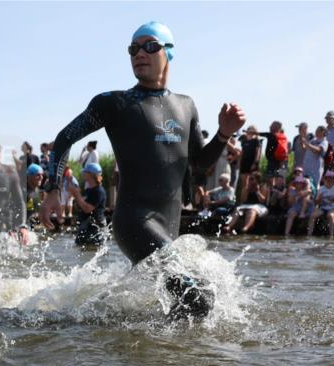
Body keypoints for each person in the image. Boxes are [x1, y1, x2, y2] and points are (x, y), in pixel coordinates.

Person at [40, 20, 244, 319]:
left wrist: (223, 135)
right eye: (133, 48)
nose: (140, 53)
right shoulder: (114, 103)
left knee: (182, 301)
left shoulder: (186, 106)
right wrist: (52, 190)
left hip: (168, 224)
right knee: (198, 297)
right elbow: (64, 138)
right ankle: (170, 364)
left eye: (150, 46)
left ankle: (151, 354)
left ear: (169, 52)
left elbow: (198, 165)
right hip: (134, 221)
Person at [71, 162, 107, 246]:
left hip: (94, 229)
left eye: (85, 172)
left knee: (91, 251)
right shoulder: (89, 190)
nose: (82, 173)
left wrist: (77, 195)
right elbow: (80, 206)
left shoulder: (99, 191)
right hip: (86, 227)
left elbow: (87, 209)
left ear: (90, 174)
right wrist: (77, 199)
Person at [308, 171, 334, 239]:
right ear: (325, 179)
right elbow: (316, 203)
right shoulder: (321, 188)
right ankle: (309, 235)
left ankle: (331, 236)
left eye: (331, 178)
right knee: (312, 215)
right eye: (327, 178)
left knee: (330, 215)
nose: (329, 180)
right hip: (323, 208)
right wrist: (320, 198)